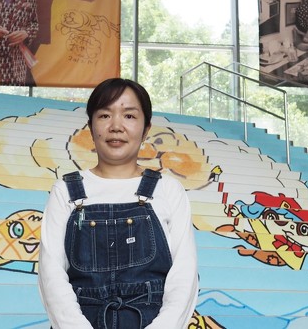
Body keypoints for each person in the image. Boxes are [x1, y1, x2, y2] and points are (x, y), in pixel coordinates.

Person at [38, 78, 198, 329]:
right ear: (91, 127)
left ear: (146, 129)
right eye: (104, 115)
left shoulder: (168, 190)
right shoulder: (65, 191)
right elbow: (51, 276)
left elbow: (184, 276)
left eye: (129, 116)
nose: (116, 126)